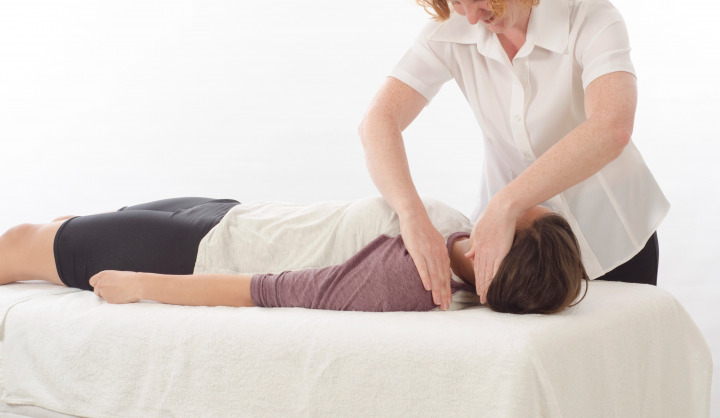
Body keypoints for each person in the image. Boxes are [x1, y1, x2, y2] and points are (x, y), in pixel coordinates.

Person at [358, 0, 669, 311]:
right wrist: (411, 215)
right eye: (455, 2)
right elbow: (378, 120)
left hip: (615, 237)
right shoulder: (451, 31)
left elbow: (611, 127)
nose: (471, 17)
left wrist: (507, 202)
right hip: (518, 255)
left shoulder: (591, 19)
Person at [0, 196, 587, 314]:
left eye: (517, 212)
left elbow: (267, 291)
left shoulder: (410, 278)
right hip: (232, 215)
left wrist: (140, 284)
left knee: (22, 244)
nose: (511, 198)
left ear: (492, 258)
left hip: (193, 252)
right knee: (63, 225)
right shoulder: (454, 234)